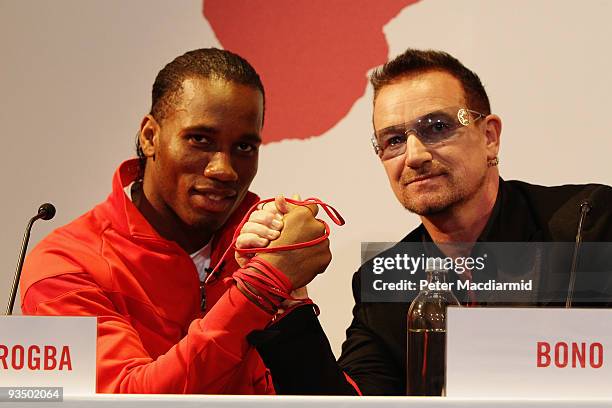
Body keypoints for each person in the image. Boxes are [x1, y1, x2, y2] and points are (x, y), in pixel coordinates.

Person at [242, 48, 612, 395]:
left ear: (489, 137)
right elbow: (350, 403)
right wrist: (287, 301)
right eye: (393, 140)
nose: (415, 155)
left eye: (437, 127)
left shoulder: (586, 224)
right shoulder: (385, 279)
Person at [20, 48, 331, 394]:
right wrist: (260, 288)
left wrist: (291, 307)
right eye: (200, 140)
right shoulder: (62, 266)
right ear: (150, 137)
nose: (224, 170)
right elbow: (127, 400)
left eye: (244, 147)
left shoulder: (261, 240)